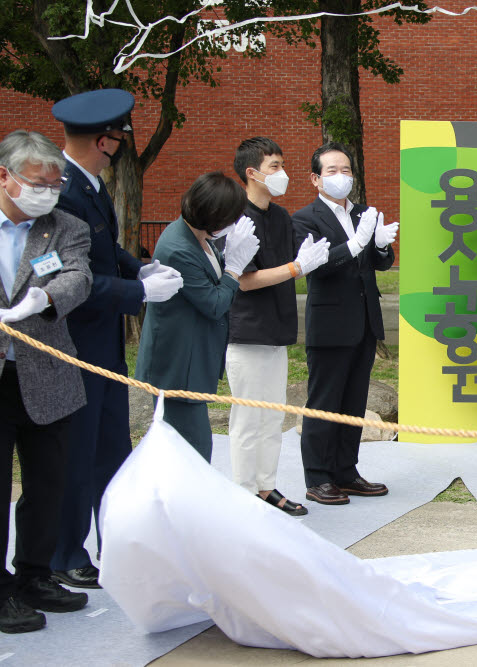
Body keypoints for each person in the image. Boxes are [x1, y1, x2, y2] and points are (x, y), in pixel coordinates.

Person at [49, 88, 183, 589]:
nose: (124, 143)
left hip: (102, 342)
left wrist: (141, 266)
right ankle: (64, 552)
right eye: (121, 136)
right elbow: (72, 276)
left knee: (110, 448)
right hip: (74, 342)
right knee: (76, 452)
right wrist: (138, 290)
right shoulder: (63, 190)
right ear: (104, 141)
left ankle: (115, 543)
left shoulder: (91, 185)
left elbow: (106, 248)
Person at [0, 130, 92, 632]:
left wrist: (46, 299)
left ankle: (34, 574)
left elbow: (78, 276)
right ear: (6, 178)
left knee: (46, 484)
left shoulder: (65, 227)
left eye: (55, 184)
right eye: (38, 183)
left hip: (46, 372)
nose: (48, 193)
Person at [226, 138, 330, 516]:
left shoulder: (282, 216)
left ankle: (266, 486)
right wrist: (294, 268)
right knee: (248, 419)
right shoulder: (236, 217)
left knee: (272, 416)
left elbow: (302, 258)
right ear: (251, 173)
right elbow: (245, 280)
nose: (281, 173)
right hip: (248, 332)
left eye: (282, 165)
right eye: (274, 166)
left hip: (278, 330)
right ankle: (242, 494)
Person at [292, 142, 397, 506]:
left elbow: (378, 263)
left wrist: (380, 246)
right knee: (325, 401)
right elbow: (315, 265)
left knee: (353, 401)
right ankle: (317, 477)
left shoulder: (364, 213)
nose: (341, 177)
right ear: (315, 179)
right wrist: (353, 245)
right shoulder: (304, 218)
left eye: (347, 170)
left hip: (365, 321)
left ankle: (346, 471)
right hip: (330, 322)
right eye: (332, 171)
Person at [135, 173, 260, 461]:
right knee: (191, 454)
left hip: (192, 360)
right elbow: (214, 303)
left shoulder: (198, 236)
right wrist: (234, 269)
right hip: (177, 367)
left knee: (193, 451)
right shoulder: (178, 248)